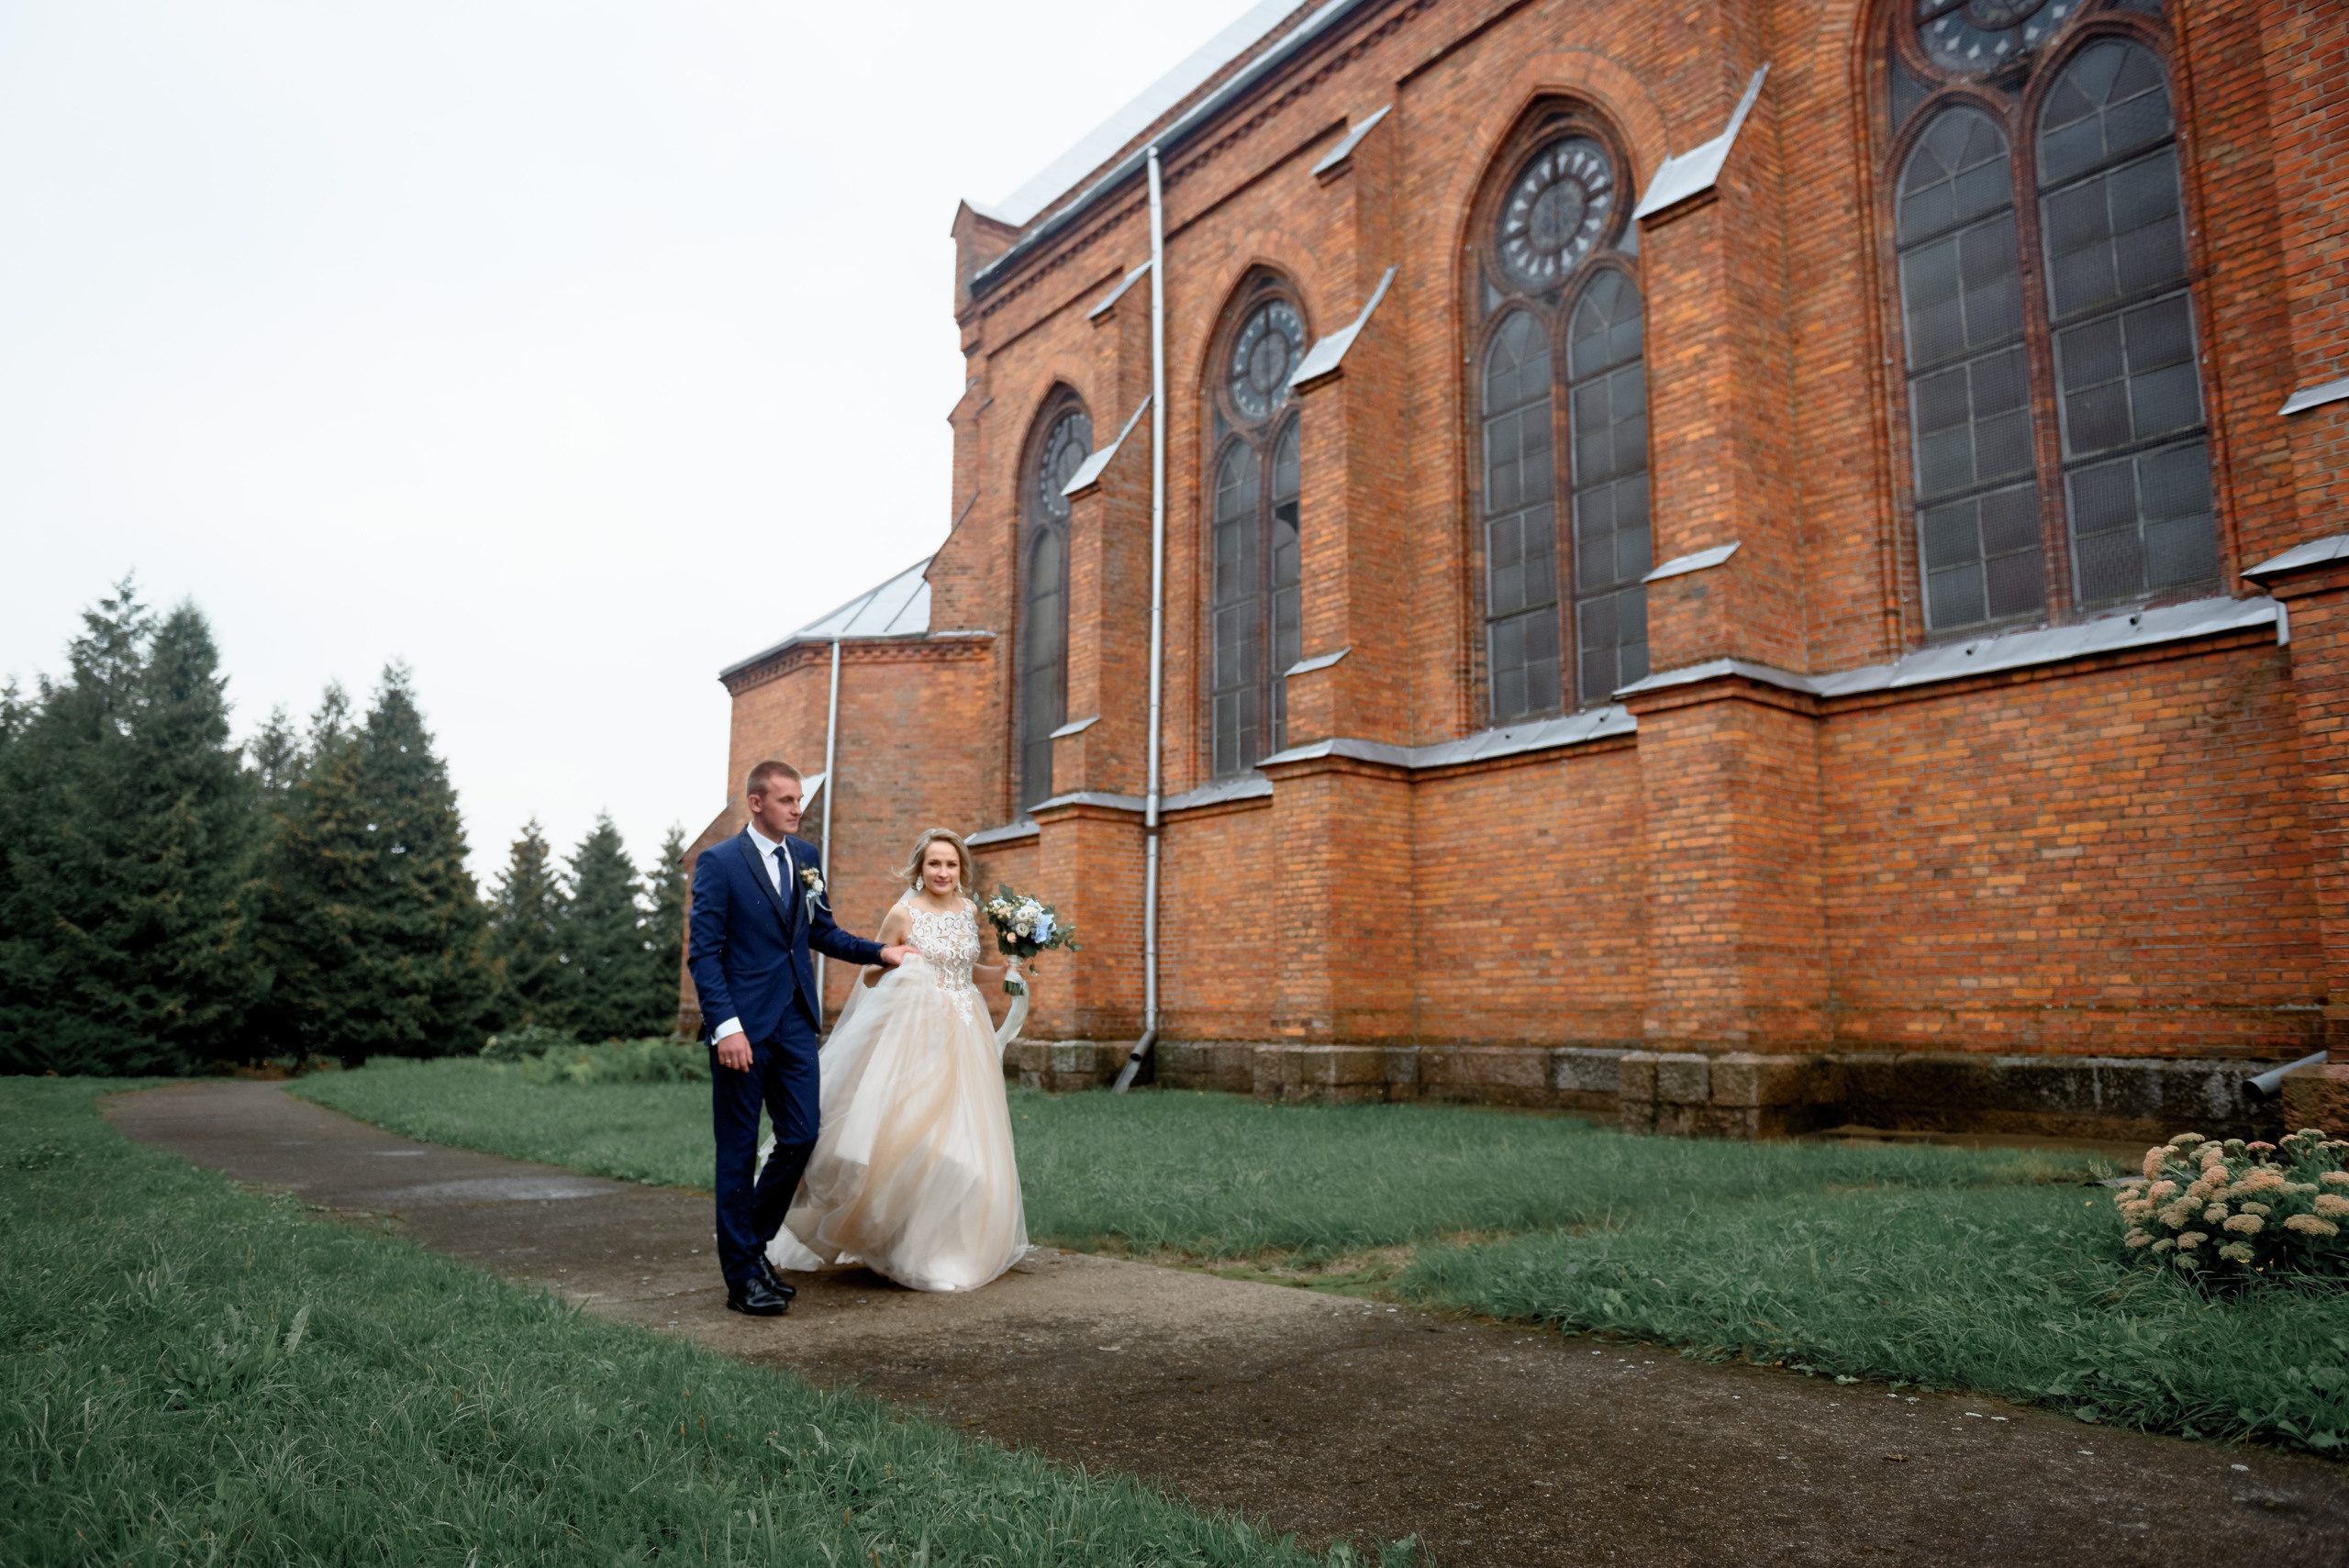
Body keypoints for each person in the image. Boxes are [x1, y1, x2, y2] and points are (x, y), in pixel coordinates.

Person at [687, 761, 913, 1317]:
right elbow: (704, 955)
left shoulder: (806, 859)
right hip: (742, 1031)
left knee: (801, 1135)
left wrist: (880, 953)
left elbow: (820, 932)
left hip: (794, 1024)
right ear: (756, 802)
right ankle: (742, 1278)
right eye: (786, 800)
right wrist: (727, 1028)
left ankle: (752, 1247)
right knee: (738, 1154)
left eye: (799, 801)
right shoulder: (719, 864)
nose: (796, 809)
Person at [768, 827, 1031, 1293]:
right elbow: (871, 973)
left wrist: (1009, 971)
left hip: (967, 1031)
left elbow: (965, 969)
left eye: (951, 864)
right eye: (935, 864)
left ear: (961, 870)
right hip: (917, 1037)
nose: (943, 872)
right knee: (914, 1137)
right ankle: (900, 1241)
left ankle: (948, 1242)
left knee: (966, 1136)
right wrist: (907, 969)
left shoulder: (969, 910)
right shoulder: (902, 912)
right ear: (920, 868)